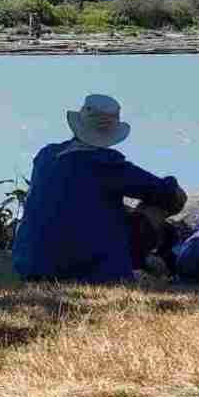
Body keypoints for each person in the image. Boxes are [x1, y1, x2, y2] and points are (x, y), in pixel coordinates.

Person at [13, 94, 186, 283]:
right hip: (82, 269)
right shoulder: (108, 164)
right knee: (167, 201)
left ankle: (140, 262)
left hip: (30, 266)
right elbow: (167, 192)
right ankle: (134, 263)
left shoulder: (46, 155)